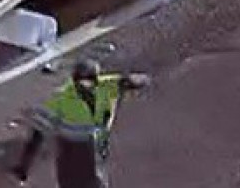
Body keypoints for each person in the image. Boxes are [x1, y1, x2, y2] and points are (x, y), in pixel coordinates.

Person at [11, 58, 150, 187]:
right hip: (69, 149)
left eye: (90, 82)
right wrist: (24, 166)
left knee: (95, 181)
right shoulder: (62, 98)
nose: (86, 87)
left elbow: (139, 80)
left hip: (94, 147)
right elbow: (38, 132)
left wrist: (132, 81)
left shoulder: (107, 86)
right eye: (82, 83)